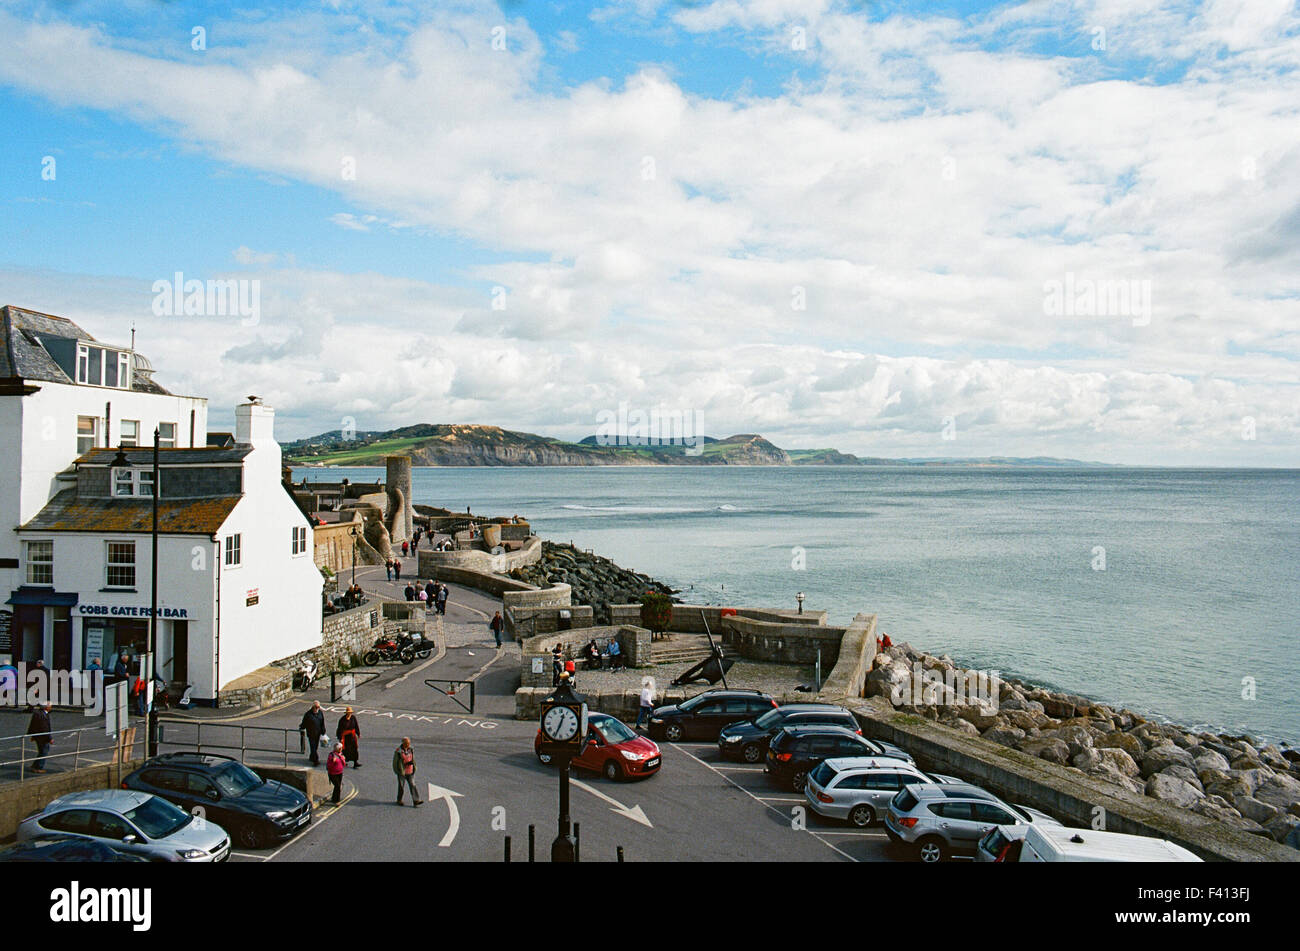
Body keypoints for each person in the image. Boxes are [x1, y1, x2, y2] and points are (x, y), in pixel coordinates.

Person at [392, 737, 423, 807]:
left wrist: (414, 767)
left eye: (409, 743)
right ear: (403, 743)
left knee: (412, 785)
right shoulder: (398, 751)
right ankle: (399, 800)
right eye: (406, 743)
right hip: (402, 771)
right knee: (401, 786)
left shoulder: (411, 749)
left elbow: (413, 758)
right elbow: (395, 762)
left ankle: (416, 800)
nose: (408, 744)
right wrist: (397, 771)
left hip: (410, 771)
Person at [27, 702, 52, 773]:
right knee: (44, 751)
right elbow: (45, 728)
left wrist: (33, 736)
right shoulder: (44, 715)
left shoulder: (37, 713)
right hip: (43, 737)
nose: (51, 708)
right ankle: (38, 767)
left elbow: (33, 725)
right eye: (50, 706)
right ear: (46, 707)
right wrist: (49, 738)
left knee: (41, 751)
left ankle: (35, 765)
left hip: (38, 736)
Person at [300, 701, 326, 766]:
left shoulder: (320, 713)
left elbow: (322, 722)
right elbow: (304, 723)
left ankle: (312, 757)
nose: (317, 708)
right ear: (313, 707)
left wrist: (323, 730)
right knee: (313, 747)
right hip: (311, 733)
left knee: (315, 747)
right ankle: (315, 760)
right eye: (316, 707)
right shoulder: (308, 714)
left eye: (318, 707)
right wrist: (302, 727)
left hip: (318, 733)